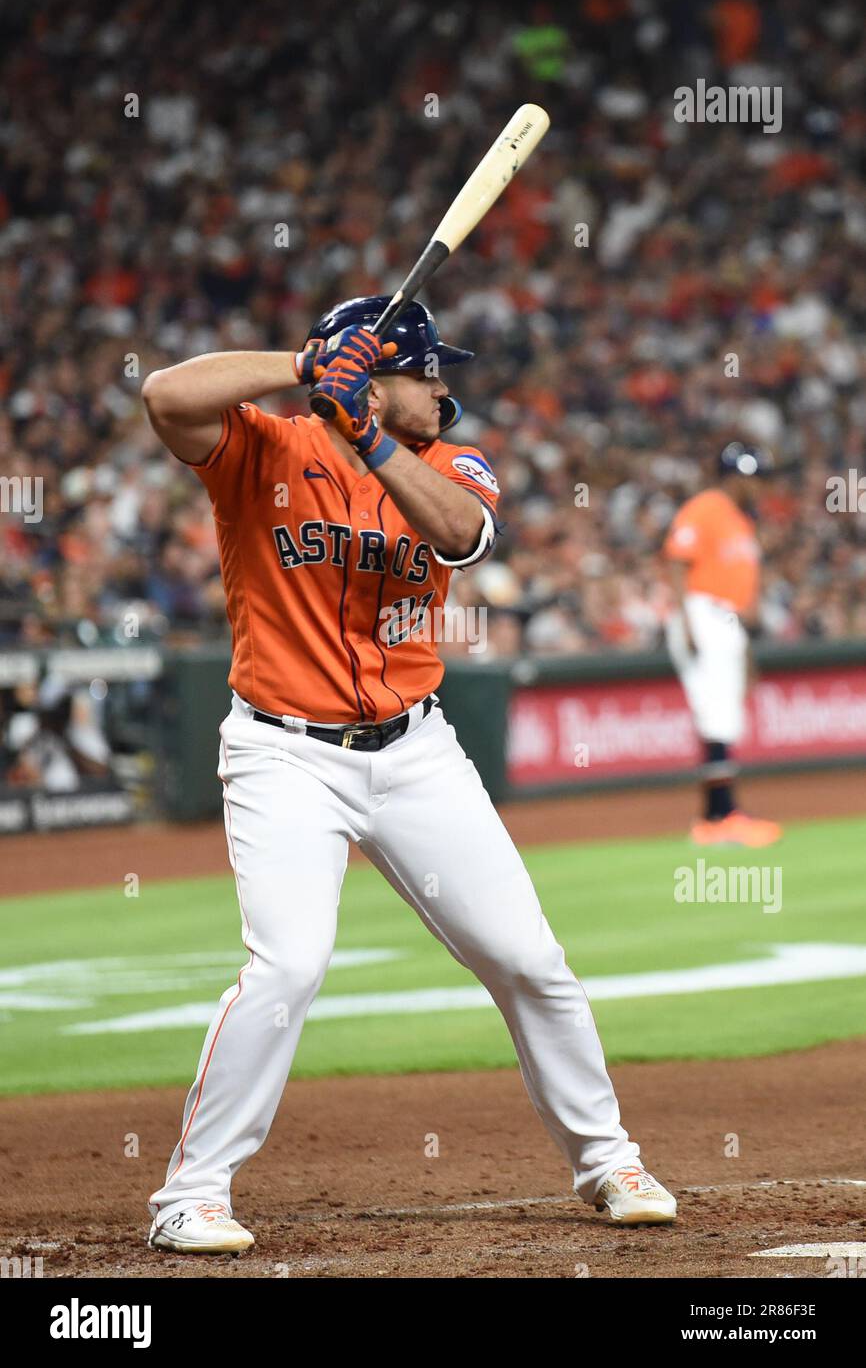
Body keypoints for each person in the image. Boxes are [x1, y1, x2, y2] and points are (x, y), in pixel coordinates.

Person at [141, 296, 676, 1254]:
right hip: (283, 750)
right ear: (378, 377)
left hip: (415, 749)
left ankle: (609, 1161)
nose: (444, 387)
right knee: (290, 964)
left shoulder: (446, 461)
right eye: (427, 372)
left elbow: (462, 534)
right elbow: (164, 394)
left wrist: (370, 438)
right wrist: (305, 365)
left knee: (527, 959)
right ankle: (193, 1192)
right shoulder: (265, 448)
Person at [664, 440, 782, 847]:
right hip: (702, 613)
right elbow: (678, 561)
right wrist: (688, 623)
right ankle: (722, 816)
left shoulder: (740, 519)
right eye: (754, 478)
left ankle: (717, 815)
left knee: (723, 718)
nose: (759, 487)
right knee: (717, 717)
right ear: (736, 476)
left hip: (725, 621)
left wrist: (744, 647)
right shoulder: (707, 507)